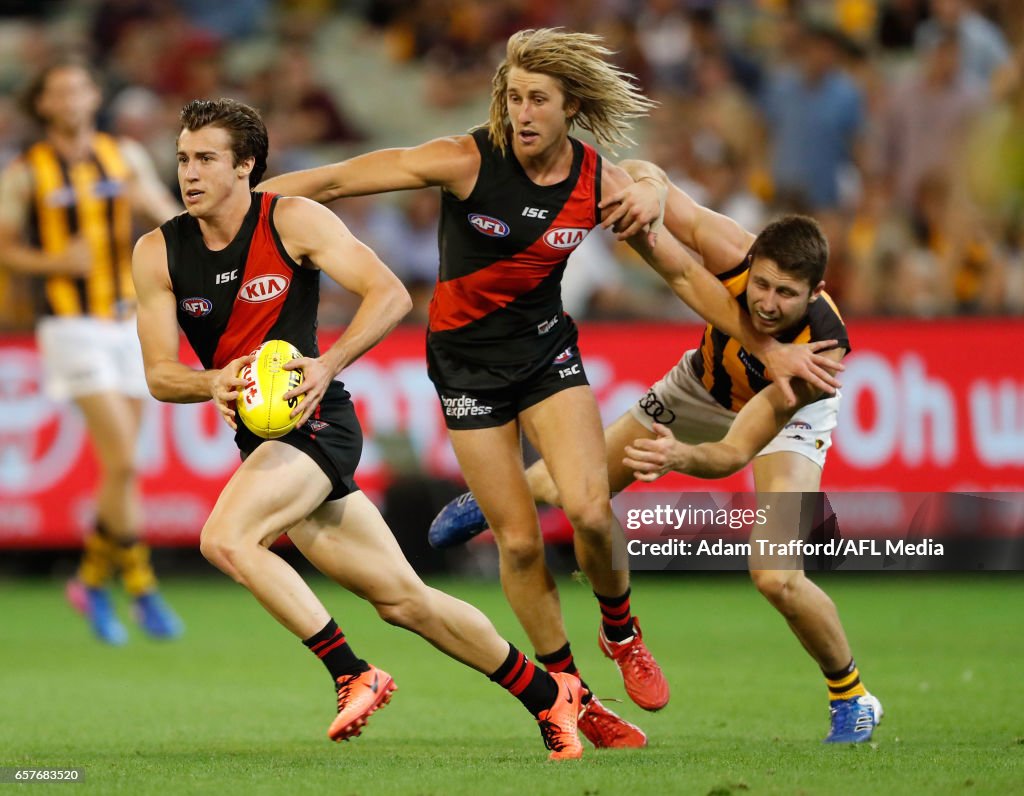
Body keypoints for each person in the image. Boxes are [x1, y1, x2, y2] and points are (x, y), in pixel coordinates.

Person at [260, 28, 843, 750]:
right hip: (465, 367)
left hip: (545, 357)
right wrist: (245, 200)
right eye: (513, 97)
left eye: (539, 99)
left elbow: (686, 274)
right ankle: (569, 693)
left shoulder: (598, 183)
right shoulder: (467, 159)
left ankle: (621, 631)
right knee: (520, 543)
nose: (523, 112)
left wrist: (768, 352)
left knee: (593, 514)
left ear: (571, 106)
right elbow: (338, 179)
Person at [132, 97, 583, 760]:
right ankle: (553, 699)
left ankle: (351, 672)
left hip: (317, 422)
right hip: (263, 442)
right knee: (407, 601)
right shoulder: (158, 251)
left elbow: (392, 294)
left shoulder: (291, 220)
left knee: (226, 539)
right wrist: (212, 381)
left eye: (206, 159)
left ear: (246, 166)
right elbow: (159, 375)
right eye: (182, 159)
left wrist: (326, 364)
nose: (189, 173)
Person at [431, 172, 883, 744]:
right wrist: (649, 189)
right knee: (583, 488)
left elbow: (735, 450)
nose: (767, 304)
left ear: (816, 292)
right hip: (697, 387)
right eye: (762, 285)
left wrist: (679, 456)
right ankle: (503, 496)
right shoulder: (731, 248)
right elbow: (663, 192)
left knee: (776, 577)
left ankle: (852, 697)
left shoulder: (820, 355)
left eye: (786, 294)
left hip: (780, 422)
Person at [0, 58, 183, 645]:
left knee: (122, 466)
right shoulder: (27, 171)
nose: (72, 98)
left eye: (80, 86)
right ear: (44, 104)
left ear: (94, 95)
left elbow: (161, 209)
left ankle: (89, 580)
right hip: (70, 325)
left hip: (126, 320)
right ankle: (141, 582)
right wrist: (56, 262)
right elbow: (6, 249)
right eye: (60, 90)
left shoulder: (122, 154)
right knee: (124, 461)